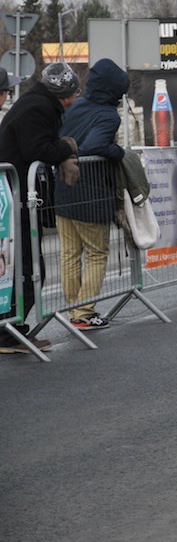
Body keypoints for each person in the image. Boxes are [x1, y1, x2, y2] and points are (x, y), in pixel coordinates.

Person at [0, 62, 81, 354]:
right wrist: (67, 147)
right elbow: (37, 149)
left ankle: (11, 330)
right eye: (74, 93)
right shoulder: (39, 108)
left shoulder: (36, 103)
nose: (76, 98)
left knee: (24, 267)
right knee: (28, 269)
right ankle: (9, 333)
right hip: (16, 196)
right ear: (63, 95)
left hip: (15, 194)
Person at [54, 58, 130, 331]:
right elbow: (93, 146)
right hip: (92, 194)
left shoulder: (75, 106)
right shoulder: (109, 115)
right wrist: (117, 152)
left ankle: (73, 309)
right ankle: (84, 313)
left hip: (63, 189)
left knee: (69, 254)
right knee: (97, 253)